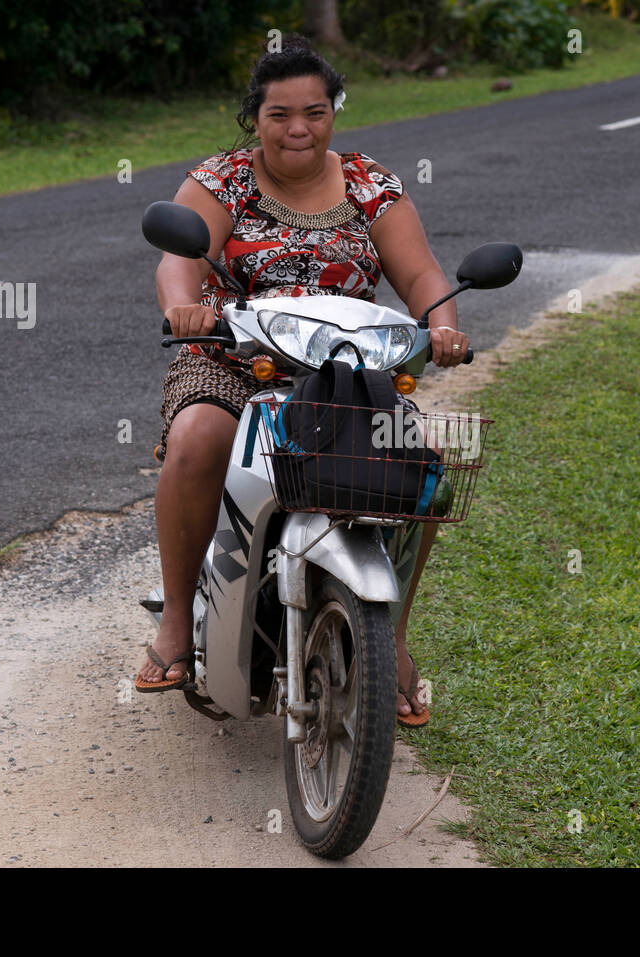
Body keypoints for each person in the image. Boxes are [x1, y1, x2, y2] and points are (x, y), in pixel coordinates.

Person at [134, 34, 470, 728]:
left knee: (419, 467)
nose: (297, 129)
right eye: (280, 114)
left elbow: (421, 274)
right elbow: (178, 256)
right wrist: (184, 306)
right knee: (198, 438)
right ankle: (174, 623)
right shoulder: (222, 179)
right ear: (253, 117)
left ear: (333, 114)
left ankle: (393, 638)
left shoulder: (373, 185)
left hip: (348, 372)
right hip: (232, 358)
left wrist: (441, 322)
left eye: (314, 113)